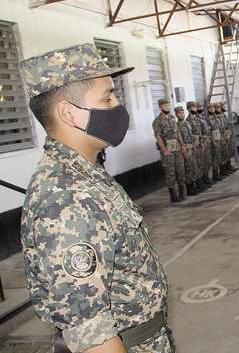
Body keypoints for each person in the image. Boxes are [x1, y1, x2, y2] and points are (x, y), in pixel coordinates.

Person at [19, 43, 175, 352]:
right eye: (107, 98)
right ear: (68, 112)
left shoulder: (83, 173)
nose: (118, 106)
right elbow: (92, 337)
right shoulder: (67, 198)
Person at [152, 98, 187, 202]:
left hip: (176, 149)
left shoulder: (172, 118)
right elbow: (158, 137)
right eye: (165, 106)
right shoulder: (157, 121)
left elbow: (177, 132)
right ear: (160, 107)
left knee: (180, 170)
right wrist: (165, 150)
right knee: (170, 173)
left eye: (168, 105)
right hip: (167, 150)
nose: (168, 107)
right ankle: (173, 195)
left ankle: (181, 192)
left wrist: (182, 145)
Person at [175, 105, 200, 196]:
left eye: (183, 112)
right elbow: (179, 139)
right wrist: (183, 151)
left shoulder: (187, 123)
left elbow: (190, 136)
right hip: (185, 149)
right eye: (179, 113)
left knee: (193, 167)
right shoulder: (177, 126)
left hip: (191, 148)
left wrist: (194, 147)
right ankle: (189, 188)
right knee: (188, 169)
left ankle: (194, 186)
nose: (182, 115)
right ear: (176, 115)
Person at [185, 101, 210, 191]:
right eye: (193, 108)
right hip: (193, 146)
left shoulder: (196, 119)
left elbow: (200, 133)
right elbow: (189, 135)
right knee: (195, 166)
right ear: (189, 109)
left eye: (196, 107)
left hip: (199, 144)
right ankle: (196, 184)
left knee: (201, 163)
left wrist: (202, 144)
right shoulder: (188, 121)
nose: (195, 109)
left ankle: (201, 182)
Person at [193, 101, 216, 186]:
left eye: (200, 107)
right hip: (199, 144)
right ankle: (201, 181)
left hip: (205, 142)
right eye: (197, 108)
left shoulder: (202, 118)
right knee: (200, 163)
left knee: (207, 161)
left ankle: (206, 178)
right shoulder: (195, 120)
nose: (199, 109)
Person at [206, 103, 224, 181]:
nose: (212, 110)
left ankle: (218, 173)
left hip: (218, 137)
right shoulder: (207, 119)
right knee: (214, 158)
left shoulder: (215, 118)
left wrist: (220, 138)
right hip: (213, 140)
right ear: (207, 109)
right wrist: (213, 141)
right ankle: (215, 174)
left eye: (213, 108)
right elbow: (209, 131)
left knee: (218, 156)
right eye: (210, 108)